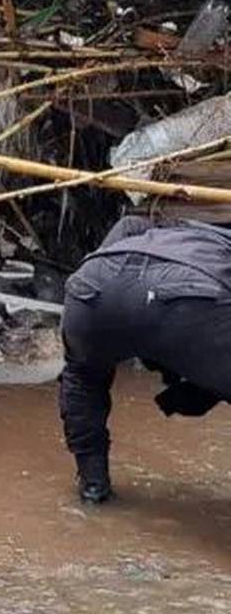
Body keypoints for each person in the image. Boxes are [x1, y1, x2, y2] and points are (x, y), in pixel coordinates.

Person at [59, 215, 231, 503]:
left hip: (93, 284)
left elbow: (126, 225)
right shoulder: (217, 243)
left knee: (82, 377)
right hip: (189, 294)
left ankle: (93, 487)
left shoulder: (143, 227)